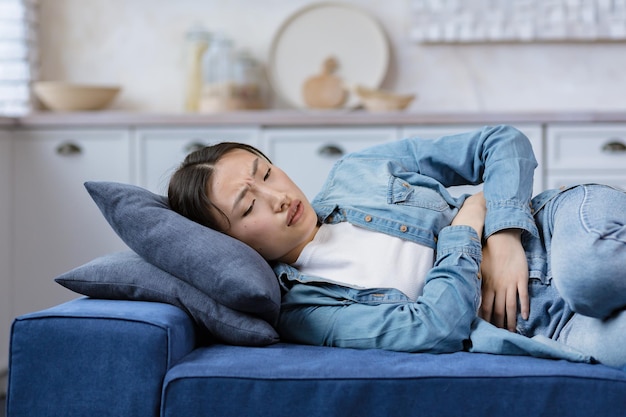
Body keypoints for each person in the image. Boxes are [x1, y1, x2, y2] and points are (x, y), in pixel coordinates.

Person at [168, 125, 626, 368]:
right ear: (225, 241)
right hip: (545, 328)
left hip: (558, 227)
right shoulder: (306, 309)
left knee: (590, 274)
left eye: (266, 173)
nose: (279, 197)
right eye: (249, 207)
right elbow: (433, 329)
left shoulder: (358, 170)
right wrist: (467, 223)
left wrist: (503, 236)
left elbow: (501, 142)